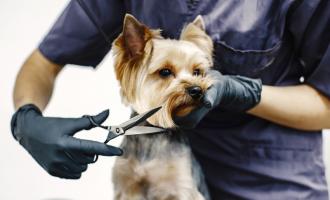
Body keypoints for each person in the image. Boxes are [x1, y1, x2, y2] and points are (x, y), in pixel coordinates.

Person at [11, 0, 330, 199]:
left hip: (271, 177)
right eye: (166, 72)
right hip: (149, 149)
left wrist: (245, 93)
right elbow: (42, 63)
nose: (189, 84)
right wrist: (27, 119)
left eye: (196, 71)